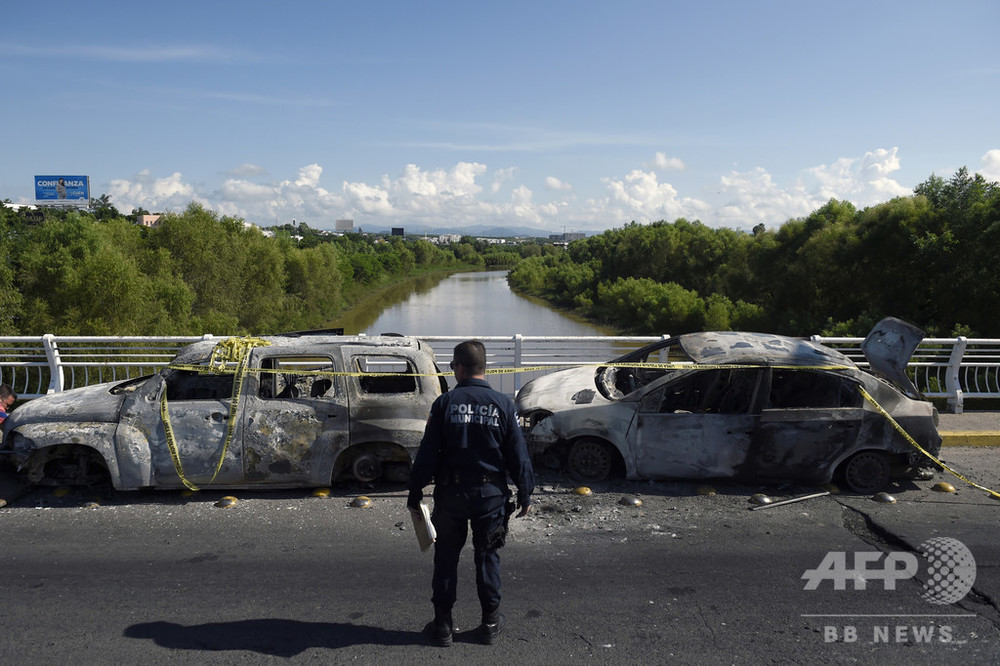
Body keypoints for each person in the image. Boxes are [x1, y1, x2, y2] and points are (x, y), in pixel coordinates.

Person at [407, 340, 535, 647]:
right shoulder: (503, 404)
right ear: (483, 368)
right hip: (490, 496)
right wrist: (526, 492)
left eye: (453, 366)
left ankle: (442, 626)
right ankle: (489, 623)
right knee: (487, 556)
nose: (453, 371)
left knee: (446, 557)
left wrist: (415, 491)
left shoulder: (444, 404)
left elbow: (427, 454)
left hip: (451, 495)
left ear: (461, 368)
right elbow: (519, 454)